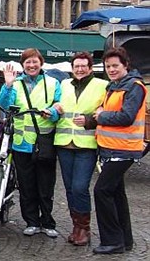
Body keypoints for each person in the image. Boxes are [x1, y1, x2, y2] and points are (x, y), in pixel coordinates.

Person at [0, 48, 61, 238]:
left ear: (41, 63)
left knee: (46, 185)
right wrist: (7, 86)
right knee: (26, 186)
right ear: (22, 65)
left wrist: (53, 112)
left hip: (44, 141)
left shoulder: (52, 83)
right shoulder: (15, 83)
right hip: (21, 143)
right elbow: (4, 106)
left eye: (34, 62)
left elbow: (59, 104)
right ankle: (31, 221)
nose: (31, 65)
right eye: (27, 62)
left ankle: (47, 221)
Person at [91, 47, 146, 255]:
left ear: (125, 65)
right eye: (108, 66)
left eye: (115, 66)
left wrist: (101, 116)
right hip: (111, 147)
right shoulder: (114, 87)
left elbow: (126, 116)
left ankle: (113, 240)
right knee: (116, 193)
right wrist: (94, 118)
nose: (111, 69)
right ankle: (125, 239)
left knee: (102, 191)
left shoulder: (134, 86)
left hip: (125, 149)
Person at [52, 52, 108, 246]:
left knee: (80, 187)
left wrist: (90, 120)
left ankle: (85, 228)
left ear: (91, 68)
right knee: (69, 188)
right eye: (77, 66)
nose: (80, 69)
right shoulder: (64, 85)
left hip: (86, 145)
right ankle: (76, 226)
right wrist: (54, 109)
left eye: (84, 66)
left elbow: (107, 111)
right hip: (64, 142)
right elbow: (57, 106)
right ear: (72, 68)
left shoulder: (102, 85)